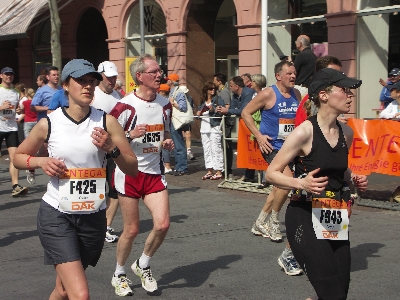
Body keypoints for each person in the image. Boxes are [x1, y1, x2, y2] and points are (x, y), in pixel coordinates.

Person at [13, 58, 138, 300]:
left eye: (91, 81)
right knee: (80, 294)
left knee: (62, 289)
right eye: (80, 80)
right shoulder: (49, 123)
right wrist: (40, 162)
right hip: (57, 215)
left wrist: (111, 148)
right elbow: (19, 156)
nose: (88, 86)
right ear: (65, 86)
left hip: (93, 217)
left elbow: (132, 168)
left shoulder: (106, 121)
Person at [265, 68, 368, 300]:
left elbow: (337, 168)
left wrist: (353, 178)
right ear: (324, 95)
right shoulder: (304, 132)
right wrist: (300, 183)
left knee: (340, 290)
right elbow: (271, 174)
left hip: (333, 213)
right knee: (332, 293)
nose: (351, 95)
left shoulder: (346, 132)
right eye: (344, 90)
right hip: (304, 212)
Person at [109, 53, 174, 296]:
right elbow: (107, 141)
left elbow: (166, 132)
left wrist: (167, 142)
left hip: (154, 173)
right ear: (139, 76)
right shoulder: (124, 106)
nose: (160, 75)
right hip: (129, 173)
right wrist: (129, 136)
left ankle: (143, 264)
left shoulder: (165, 104)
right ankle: (119, 273)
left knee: (163, 224)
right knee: (132, 229)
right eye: (154, 72)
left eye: (160, 71)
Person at [241, 61, 302, 276]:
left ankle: (260, 222)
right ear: (278, 76)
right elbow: (246, 113)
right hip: (272, 146)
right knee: (286, 183)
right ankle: (274, 222)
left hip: (291, 148)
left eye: (294, 73)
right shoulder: (268, 94)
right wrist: (258, 136)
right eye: (289, 73)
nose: (293, 76)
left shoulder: (297, 94)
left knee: (278, 187)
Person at [91, 61, 122, 243]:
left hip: (112, 150)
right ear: (100, 75)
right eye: (108, 77)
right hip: (93, 151)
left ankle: (105, 227)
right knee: (95, 190)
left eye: (114, 77)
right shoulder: (91, 94)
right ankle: (91, 226)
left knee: (115, 189)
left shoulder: (118, 97)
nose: (111, 80)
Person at [217, 76, 255, 180]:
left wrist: (227, 111)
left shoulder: (248, 93)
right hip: (243, 125)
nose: (229, 87)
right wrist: (226, 110)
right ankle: (248, 175)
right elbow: (234, 109)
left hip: (253, 125)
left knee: (252, 149)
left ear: (237, 86)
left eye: (231, 86)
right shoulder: (234, 95)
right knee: (246, 149)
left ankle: (252, 175)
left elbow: (244, 111)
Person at [0, 67, 29, 197]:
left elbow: (17, 108)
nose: (9, 76)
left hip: (12, 127)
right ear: (1, 76)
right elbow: (4, 108)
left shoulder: (16, 92)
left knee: (14, 157)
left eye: (11, 74)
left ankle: (15, 185)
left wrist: (18, 111)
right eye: (6, 74)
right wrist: (2, 107)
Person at [295, 55, 342, 127]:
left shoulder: (336, 97)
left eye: (339, 74)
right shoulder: (312, 99)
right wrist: (335, 122)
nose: (338, 78)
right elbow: (311, 129)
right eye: (333, 74)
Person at [196, 82, 225, 180]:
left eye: (214, 89)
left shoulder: (217, 99)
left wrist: (214, 109)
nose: (213, 91)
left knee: (216, 148)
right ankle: (209, 170)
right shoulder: (202, 100)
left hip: (214, 126)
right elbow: (199, 113)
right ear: (206, 90)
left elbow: (221, 111)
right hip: (204, 127)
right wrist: (198, 113)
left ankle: (219, 170)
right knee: (207, 149)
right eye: (210, 89)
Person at [167, 73, 190, 175]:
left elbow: (183, 107)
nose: (167, 81)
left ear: (171, 81)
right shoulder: (173, 91)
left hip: (176, 121)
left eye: (168, 80)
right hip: (173, 121)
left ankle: (182, 168)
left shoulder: (178, 92)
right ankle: (178, 166)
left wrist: (173, 103)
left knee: (179, 144)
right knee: (176, 145)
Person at [249, 74, 267, 188]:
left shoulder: (264, 94)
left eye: (253, 81)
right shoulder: (254, 95)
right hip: (258, 126)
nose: (251, 83)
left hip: (265, 125)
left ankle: (266, 178)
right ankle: (262, 178)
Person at [213, 73, 233, 176]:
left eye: (215, 80)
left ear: (219, 81)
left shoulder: (224, 92)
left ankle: (228, 167)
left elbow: (227, 106)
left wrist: (221, 110)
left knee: (227, 145)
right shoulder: (219, 91)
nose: (213, 82)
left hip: (226, 121)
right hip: (222, 120)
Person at [19, 88, 37, 184]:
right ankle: (31, 166)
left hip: (27, 123)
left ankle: (28, 164)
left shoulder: (25, 103)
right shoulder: (35, 103)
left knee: (27, 145)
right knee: (35, 145)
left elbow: (21, 111)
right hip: (36, 122)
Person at [158, 83, 173, 173]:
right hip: (163, 125)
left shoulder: (165, 102)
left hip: (163, 126)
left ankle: (167, 165)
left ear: (163, 92)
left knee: (165, 143)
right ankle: (166, 164)